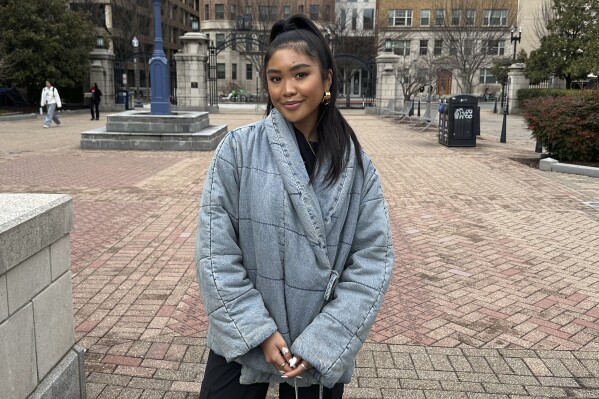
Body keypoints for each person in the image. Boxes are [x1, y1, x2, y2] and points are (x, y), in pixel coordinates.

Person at [195, 15, 394, 399]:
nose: (287, 89)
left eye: (300, 75)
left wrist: (324, 340)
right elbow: (213, 249)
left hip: (317, 344)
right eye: (275, 78)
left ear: (328, 79)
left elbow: (373, 260)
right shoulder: (237, 150)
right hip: (247, 335)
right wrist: (259, 331)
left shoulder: (356, 166)